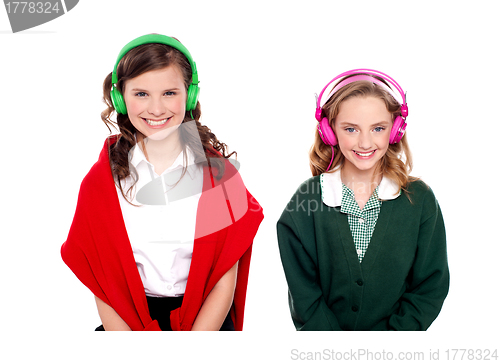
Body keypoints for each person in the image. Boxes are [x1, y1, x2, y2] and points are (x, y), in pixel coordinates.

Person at [61, 34, 263, 331]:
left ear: (189, 95)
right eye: (141, 94)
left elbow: (223, 280)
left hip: (205, 323)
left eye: (169, 93)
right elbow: (101, 282)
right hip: (127, 324)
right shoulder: (101, 183)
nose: (156, 109)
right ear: (120, 97)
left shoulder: (220, 178)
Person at [276, 69, 449, 331]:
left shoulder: (420, 199)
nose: (365, 142)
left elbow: (429, 287)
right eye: (351, 129)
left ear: (395, 131)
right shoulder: (306, 200)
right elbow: (304, 295)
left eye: (378, 128)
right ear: (329, 131)